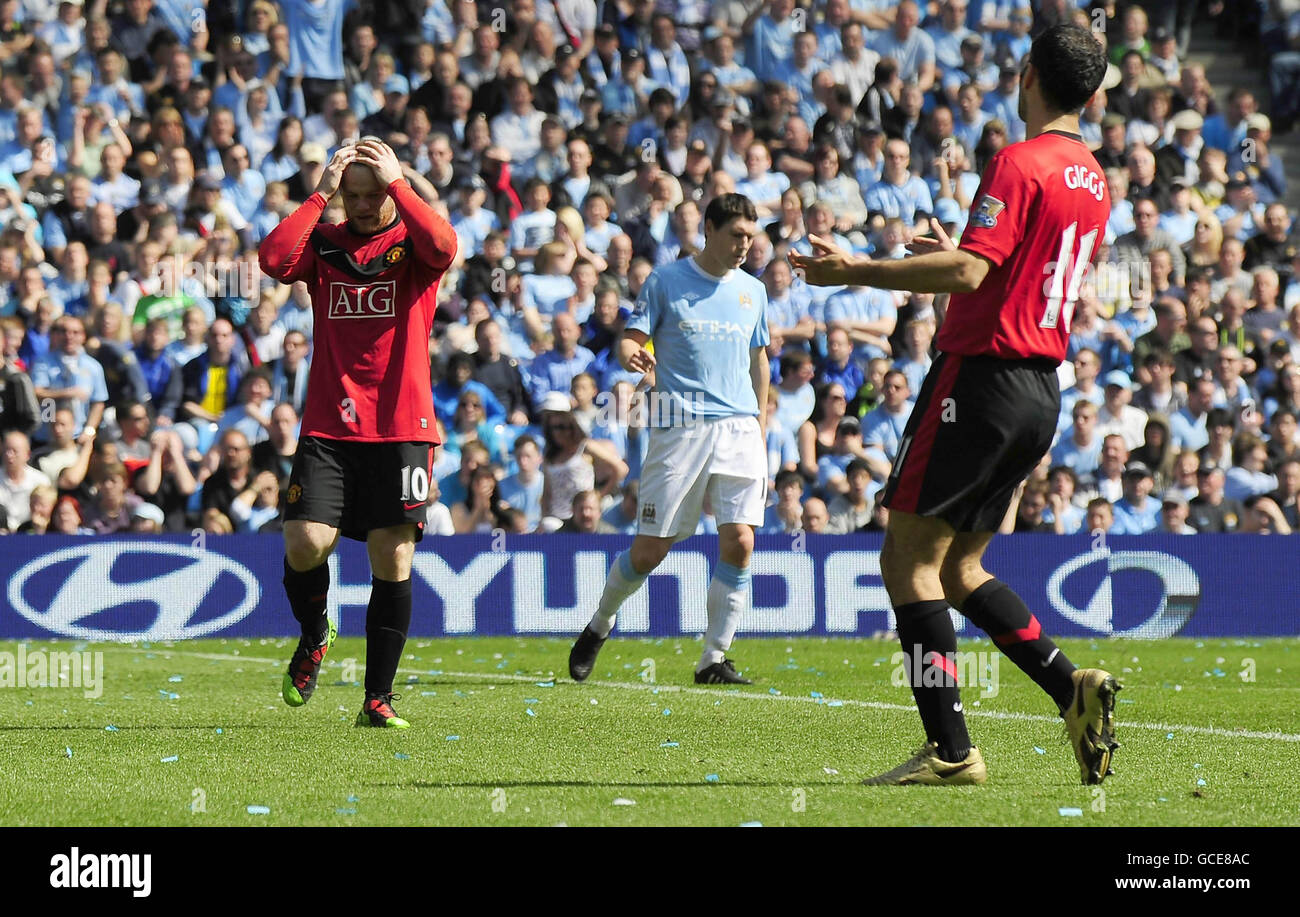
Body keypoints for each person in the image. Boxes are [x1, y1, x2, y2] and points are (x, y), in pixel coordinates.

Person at [790, 25, 1120, 787]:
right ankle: (1070, 684)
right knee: (962, 564)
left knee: (906, 558)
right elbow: (1010, 269)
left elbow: (971, 272)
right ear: (1093, 94)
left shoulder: (1017, 160)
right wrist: (958, 253)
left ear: (1028, 75)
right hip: (1040, 390)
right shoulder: (1094, 177)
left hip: (980, 382)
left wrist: (855, 271)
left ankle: (950, 749)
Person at [259, 138, 457, 729]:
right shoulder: (325, 243)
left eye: (377, 195)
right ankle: (316, 631)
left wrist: (403, 185)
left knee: (390, 555)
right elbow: (272, 260)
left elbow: (445, 245)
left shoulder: (414, 247)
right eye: (357, 195)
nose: (367, 206)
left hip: (402, 425)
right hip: (329, 423)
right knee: (304, 542)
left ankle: (377, 697)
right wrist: (320, 193)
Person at [568, 193, 770, 686]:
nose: (745, 245)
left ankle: (713, 659)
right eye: (736, 235)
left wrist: (760, 426)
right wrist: (632, 353)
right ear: (710, 231)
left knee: (740, 540)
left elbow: (758, 360)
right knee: (649, 551)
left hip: (739, 426)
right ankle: (600, 623)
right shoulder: (667, 280)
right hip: (680, 427)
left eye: (750, 236)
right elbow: (631, 338)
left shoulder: (753, 291)